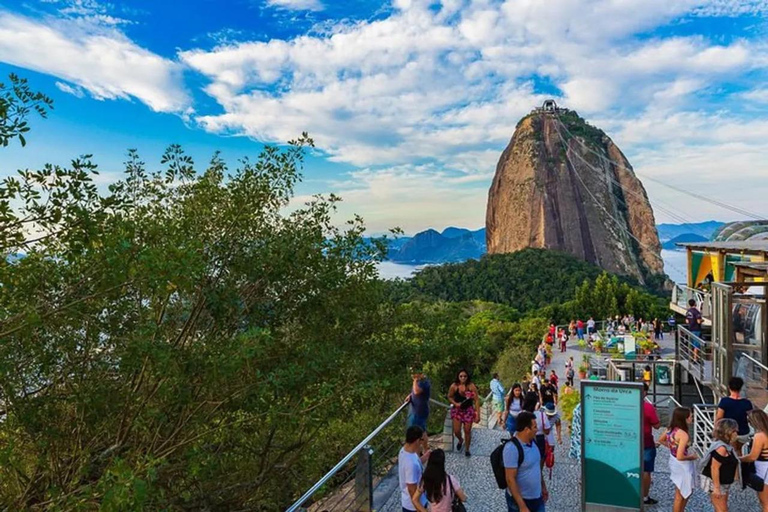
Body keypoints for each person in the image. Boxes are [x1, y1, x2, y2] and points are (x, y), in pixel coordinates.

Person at [504, 411, 548, 512]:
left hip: (537, 497)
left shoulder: (533, 442)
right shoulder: (511, 448)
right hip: (521, 501)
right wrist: (522, 506)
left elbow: (537, 467)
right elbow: (510, 479)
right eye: (535, 427)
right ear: (526, 429)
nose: (537, 430)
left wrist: (543, 487)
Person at [660, 407, 698, 512]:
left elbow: (660, 439)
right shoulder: (683, 434)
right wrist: (692, 457)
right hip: (682, 465)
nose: (692, 418)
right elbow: (680, 457)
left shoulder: (670, 429)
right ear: (684, 418)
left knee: (680, 491)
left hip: (673, 461)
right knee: (681, 493)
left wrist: (672, 447)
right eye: (690, 416)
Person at [700, 418, 739, 512]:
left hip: (723, 482)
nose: (737, 433)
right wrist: (716, 488)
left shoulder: (727, 446)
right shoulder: (721, 448)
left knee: (720, 508)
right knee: (722, 509)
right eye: (735, 431)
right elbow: (714, 468)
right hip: (716, 483)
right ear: (728, 432)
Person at [716, 376, 754, 451]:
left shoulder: (724, 401)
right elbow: (751, 418)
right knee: (739, 451)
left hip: (728, 431)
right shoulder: (747, 403)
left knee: (731, 451)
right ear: (740, 388)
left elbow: (719, 418)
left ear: (729, 387)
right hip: (743, 432)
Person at [741, 409, 768, 511]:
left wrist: (739, 459)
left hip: (763, 469)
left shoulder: (760, 436)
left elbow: (753, 456)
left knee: (764, 501)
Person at [448, 369, 479, 457]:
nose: (463, 378)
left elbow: (476, 400)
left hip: (468, 410)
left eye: (465, 376)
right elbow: (449, 397)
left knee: (467, 430)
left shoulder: (471, 386)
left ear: (467, 377)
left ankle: (467, 449)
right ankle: (461, 440)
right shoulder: (454, 386)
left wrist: (477, 414)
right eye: (461, 376)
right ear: (458, 376)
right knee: (457, 431)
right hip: (457, 410)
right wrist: (455, 403)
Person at [399, 425, 429, 512]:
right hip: (413, 507)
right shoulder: (411, 464)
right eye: (421, 440)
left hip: (409, 502)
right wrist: (420, 509)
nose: (422, 443)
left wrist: (425, 457)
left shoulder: (404, 451)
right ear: (417, 440)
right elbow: (412, 489)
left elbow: (417, 463)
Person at [642, 383, 661, 505]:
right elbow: (657, 425)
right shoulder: (648, 407)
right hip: (646, 441)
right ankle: (644, 497)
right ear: (645, 392)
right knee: (646, 470)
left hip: (628, 441)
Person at [540, 378, 561, 444]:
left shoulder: (551, 386)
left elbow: (558, 424)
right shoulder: (541, 412)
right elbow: (540, 394)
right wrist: (541, 401)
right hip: (540, 433)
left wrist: (559, 437)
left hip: (551, 401)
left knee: (551, 445)